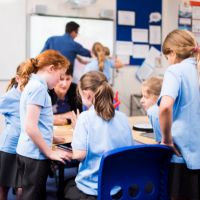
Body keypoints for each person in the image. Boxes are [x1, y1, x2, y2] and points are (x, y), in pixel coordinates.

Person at [64, 71, 134, 200]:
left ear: (87, 94)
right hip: (117, 188)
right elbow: (128, 151)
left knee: (66, 187)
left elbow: (79, 155)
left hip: (91, 190)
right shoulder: (123, 118)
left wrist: (76, 132)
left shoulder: (85, 118)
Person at [16, 50, 71, 200]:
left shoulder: (33, 85)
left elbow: (37, 123)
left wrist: (52, 138)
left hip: (27, 151)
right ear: (51, 68)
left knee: (28, 193)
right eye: (60, 76)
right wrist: (50, 152)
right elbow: (30, 127)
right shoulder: (39, 88)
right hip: (34, 155)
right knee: (33, 195)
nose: (60, 81)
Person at [158, 29, 200, 200]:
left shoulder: (175, 71)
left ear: (173, 52)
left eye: (167, 56)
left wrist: (166, 139)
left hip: (180, 156)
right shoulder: (196, 70)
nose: (168, 61)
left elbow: (166, 107)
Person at [0, 63, 26, 200]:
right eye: (25, 79)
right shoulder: (9, 97)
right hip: (8, 147)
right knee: (4, 186)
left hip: (25, 148)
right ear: (18, 78)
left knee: (21, 187)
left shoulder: (33, 95)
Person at [140, 77, 163, 143]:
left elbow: (161, 144)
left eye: (146, 97)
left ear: (158, 98)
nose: (141, 100)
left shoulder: (153, 112)